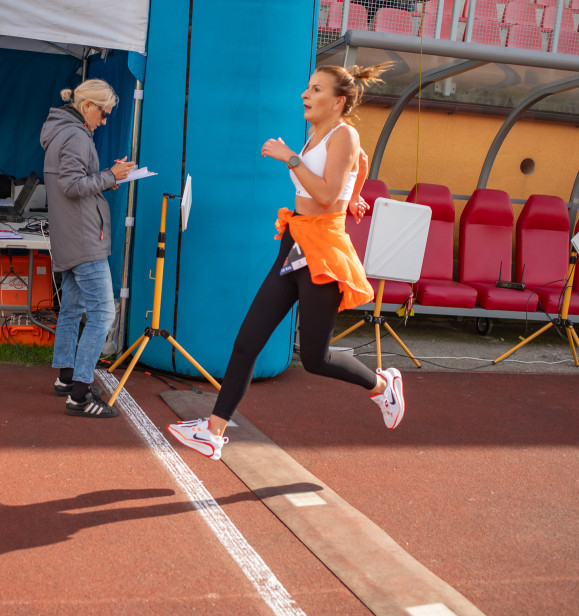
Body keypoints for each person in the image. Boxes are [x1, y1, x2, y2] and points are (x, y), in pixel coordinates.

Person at [167, 62, 404, 461]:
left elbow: (328, 194)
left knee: (315, 359)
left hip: (323, 252)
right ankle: (213, 431)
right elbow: (357, 167)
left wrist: (291, 159)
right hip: (294, 242)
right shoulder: (318, 133)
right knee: (246, 343)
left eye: (315, 89)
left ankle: (383, 386)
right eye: (307, 88)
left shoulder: (344, 133)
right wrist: (356, 194)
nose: (304, 95)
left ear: (338, 101)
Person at [40, 79, 135, 418]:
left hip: (70, 233)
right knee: (102, 313)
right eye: (105, 113)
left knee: (73, 306)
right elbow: (72, 185)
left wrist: (108, 175)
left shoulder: (61, 132)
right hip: (82, 236)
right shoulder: (77, 136)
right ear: (88, 106)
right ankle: (79, 395)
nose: (105, 121)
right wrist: (110, 175)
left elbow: (73, 182)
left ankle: (67, 379)